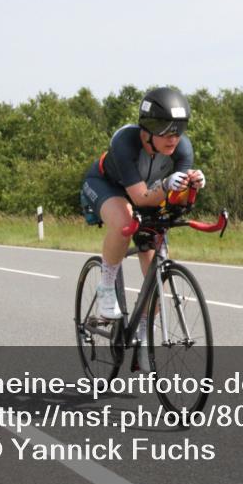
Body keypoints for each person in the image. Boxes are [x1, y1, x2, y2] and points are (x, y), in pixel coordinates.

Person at [79, 87, 206, 368]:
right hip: (107, 186)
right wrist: (167, 185)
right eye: (166, 129)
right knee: (124, 221)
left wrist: (192, 186)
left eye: (179, 129)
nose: (174, 137)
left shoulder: (182, 148)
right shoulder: (125, 141)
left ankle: (142, 333)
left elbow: (175, 199)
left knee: (157, 274)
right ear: (147, 129)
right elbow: (139, 198)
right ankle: (106, 287)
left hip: (148, 193)